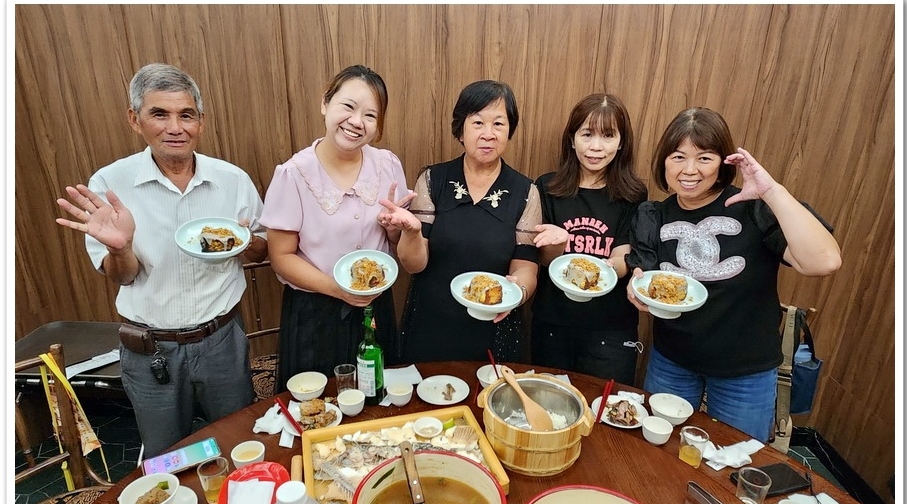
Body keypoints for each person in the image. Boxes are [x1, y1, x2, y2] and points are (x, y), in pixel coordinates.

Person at [55, 63, 268, 457]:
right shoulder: (110, 184)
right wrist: (120, 248)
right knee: (166, 457)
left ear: (201, 121)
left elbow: (262, 247)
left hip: (222, 340)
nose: (175, 128)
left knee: (240, 445)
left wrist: (244, 242)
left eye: (186, 115)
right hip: (151, 348)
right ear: (135, 119)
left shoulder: (232, 179)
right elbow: (122, 276)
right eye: (159, 114)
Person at [625, 107, 841, 442]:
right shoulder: (653, 215)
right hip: (672, 361)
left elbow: (824, 261)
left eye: (705, 158)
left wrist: (772, 192)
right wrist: (636, 288)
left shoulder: (753, 208)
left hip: (745, 372)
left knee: (734, 458)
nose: (689, 170)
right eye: (678, 157)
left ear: (723, 163)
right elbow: (645, 276)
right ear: (664, 162)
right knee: (660, 451)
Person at [381, 80, 560, 363]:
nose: (488, 134)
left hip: (496, 322)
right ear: (460, 130)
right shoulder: (434, 179)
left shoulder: (525, 191)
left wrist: (518, 292)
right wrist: (412, 233)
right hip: (432, 321)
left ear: (509, 130)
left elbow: (526, 265)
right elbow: (414, 265)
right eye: (478, 123)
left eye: (498, 124)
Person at [260, 65, 413, 387]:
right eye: (348, 106)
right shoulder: (294, 174)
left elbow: (395, 241)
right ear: (325, 103)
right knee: (320, 402)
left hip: (375, 305)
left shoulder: (387, 165)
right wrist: (337, 289)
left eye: (370, 115)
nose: (357, 121)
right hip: (316, 312)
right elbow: (281, 256)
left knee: (377, 395)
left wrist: (394, 228)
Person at [530, 93, 648, 383]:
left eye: (608, 135)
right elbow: (541, 259)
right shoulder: (547, 187)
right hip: (553, 322)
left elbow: (624, 256)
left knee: (605, 406)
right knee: (548, 401)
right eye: (587, 134)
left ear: (621, 142)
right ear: (572, 140)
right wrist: (558, 245)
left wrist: (605, 268)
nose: (596, 146)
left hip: (611, 327)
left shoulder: (632, 194)